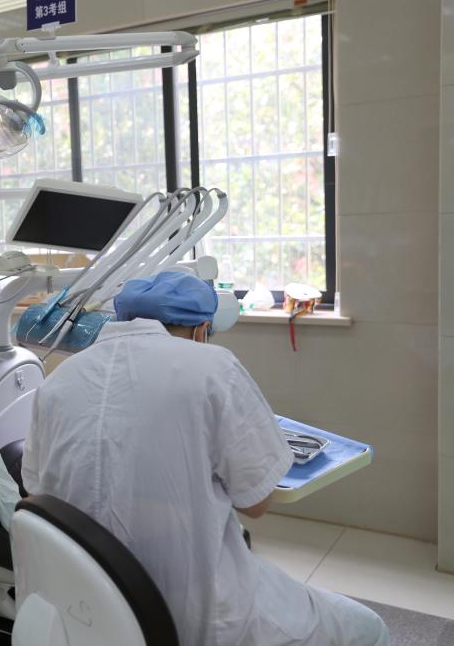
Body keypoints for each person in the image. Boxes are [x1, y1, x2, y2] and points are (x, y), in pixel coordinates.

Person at [22, 271, 389, 646]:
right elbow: (256, 502)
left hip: (87, 613)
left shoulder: (58, 380)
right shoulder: (215, 368)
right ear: (201, 331)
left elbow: (38, 488)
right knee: (368, 627)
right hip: (199, 616)